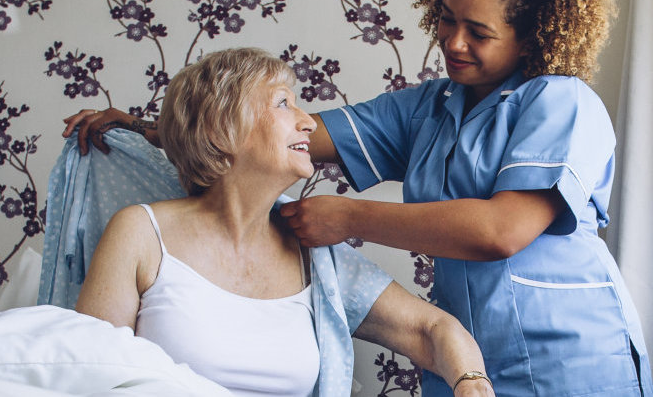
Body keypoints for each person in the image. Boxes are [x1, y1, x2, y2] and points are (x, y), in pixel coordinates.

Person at [64, 0, 651, 395]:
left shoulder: (562, 103)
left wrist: (347, 217)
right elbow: (268, 132)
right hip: (473, 363)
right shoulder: (429, 108)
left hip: (572, 360)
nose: (453, 41)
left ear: (533, 34)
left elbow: (501, 231)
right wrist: (151, 127)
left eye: (479, 32)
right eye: (447, 20)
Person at [64, 48, 494, 397]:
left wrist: (471, 382)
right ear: (222, 129)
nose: (308, 121)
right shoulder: (140, 233)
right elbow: (89, 376)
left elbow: (431, 328)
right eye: (284, 103)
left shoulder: (315, 255)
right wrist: (145, 127)